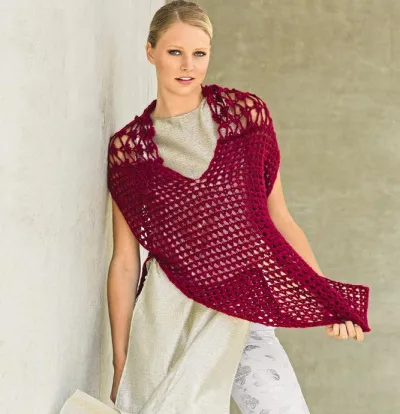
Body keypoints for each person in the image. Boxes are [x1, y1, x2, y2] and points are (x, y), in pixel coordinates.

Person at [106, 2, 368, 413]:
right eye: (175, 51)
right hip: (165, 321)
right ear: (150, 52)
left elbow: (279, 219)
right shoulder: (130, 151)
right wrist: (121, 362)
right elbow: (125, 262)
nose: (188, 65)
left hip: (243, 310)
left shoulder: (244, 118)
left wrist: (327, 297)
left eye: (199, 53)